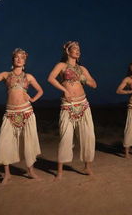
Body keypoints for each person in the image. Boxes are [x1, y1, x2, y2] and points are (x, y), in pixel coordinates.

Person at [0, 48, 43, 184]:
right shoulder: (5, 75)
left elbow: (40, 90)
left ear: (25, 61)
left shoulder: (29, 77)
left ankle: (31, 171)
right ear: (12, 60)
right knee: (4, 142)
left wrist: (33, 99)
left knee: (28, 143)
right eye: (16, 57)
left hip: (26, 112)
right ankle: (7, 174)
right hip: (10, 113)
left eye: (22, 57)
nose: (19, 59)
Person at [48, 41, 97, 180]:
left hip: (83, 104)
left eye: (79, 49)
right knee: (65, 138)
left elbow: (94, 84)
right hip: (68, 105)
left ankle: (87, 167)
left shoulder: (82, 69)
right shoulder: (61, 65)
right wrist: (64, 90)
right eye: (74, 48)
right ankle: (60, 171)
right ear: (67, 51)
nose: (77, 51)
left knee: (88, 136)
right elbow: (50, 78)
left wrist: (83, 79)